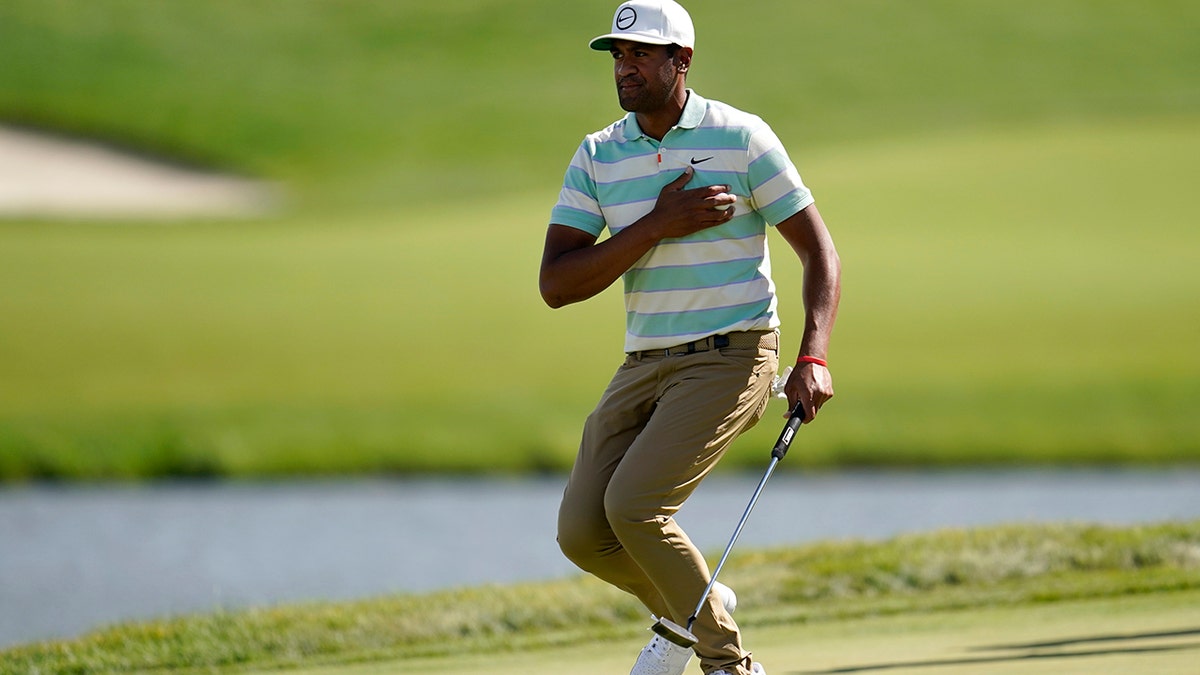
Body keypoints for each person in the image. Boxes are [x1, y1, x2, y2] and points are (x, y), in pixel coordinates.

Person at [539, 1, 840, 673]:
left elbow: (821, 253)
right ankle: (698, 604)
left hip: (733, 353)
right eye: (618, 54)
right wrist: (654, 224)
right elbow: (556, 283)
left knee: (636, 507)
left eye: (642, 53)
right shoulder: (598, 153)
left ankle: (728, 662)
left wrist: (812, 353)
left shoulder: (741, 137)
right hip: (645, 360)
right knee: (583, 532)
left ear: (683, 60)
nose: (626, 66)